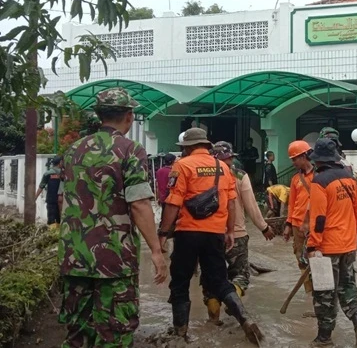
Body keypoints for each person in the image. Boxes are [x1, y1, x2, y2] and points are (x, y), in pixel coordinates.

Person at [58, 88, 167, 347]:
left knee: (77, 331)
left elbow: (63, 199)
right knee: (115, 331)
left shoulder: (73, 150)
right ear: (129, 116)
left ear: (98, 115)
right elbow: (139, 203)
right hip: (114, 259)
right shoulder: (130, 150)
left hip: (74, 255)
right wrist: (156, 250)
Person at [158, 128, 263, 344]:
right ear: (206, 145)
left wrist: (162, 233)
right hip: (215, 233)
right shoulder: (223, 168)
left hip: (187, 233)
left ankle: (180, 332)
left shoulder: (183, 165)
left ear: (187, 147)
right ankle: (245, 318)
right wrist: (231, 231)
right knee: (220, 281)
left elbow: (173, 202)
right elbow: (231, 203)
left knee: (180, 282)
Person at [203, 141, 275, 324]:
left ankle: (213, 323)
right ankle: (233, 300)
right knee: (241, 275)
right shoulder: (240, 175)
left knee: (211, 280)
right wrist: (264, 227)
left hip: (209, 234)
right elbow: (251, 206)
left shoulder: (203, 173)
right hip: (237, 234)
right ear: (231, 157)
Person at [307, 137, 357, 347]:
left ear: (318, 161)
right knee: (348, 287)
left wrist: (313, 246)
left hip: (327, 247)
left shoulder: (319, 181)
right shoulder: (349, 178)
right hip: (349, 244)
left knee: (325, 293)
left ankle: (324, 338)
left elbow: (318, 218)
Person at [284, 140, 315, 294]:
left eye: (295, 158)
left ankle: (319, 292)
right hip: (297, 225)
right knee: (301, 260)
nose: (293, 162)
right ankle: (309, 292)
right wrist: (288, 225)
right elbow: (292, 203)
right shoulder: (295, 179)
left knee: (316, 259)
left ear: (304, 156)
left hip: (314, 226)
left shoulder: (319, 176)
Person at [36, 155, 63, 229]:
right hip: (63, 201)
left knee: (52, 219)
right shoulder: (65, 174)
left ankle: (53, 234)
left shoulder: (48, 173)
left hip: (51, 200)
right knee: (60, 218)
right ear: (60, 162)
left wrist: (35, 198)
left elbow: (41, 186)